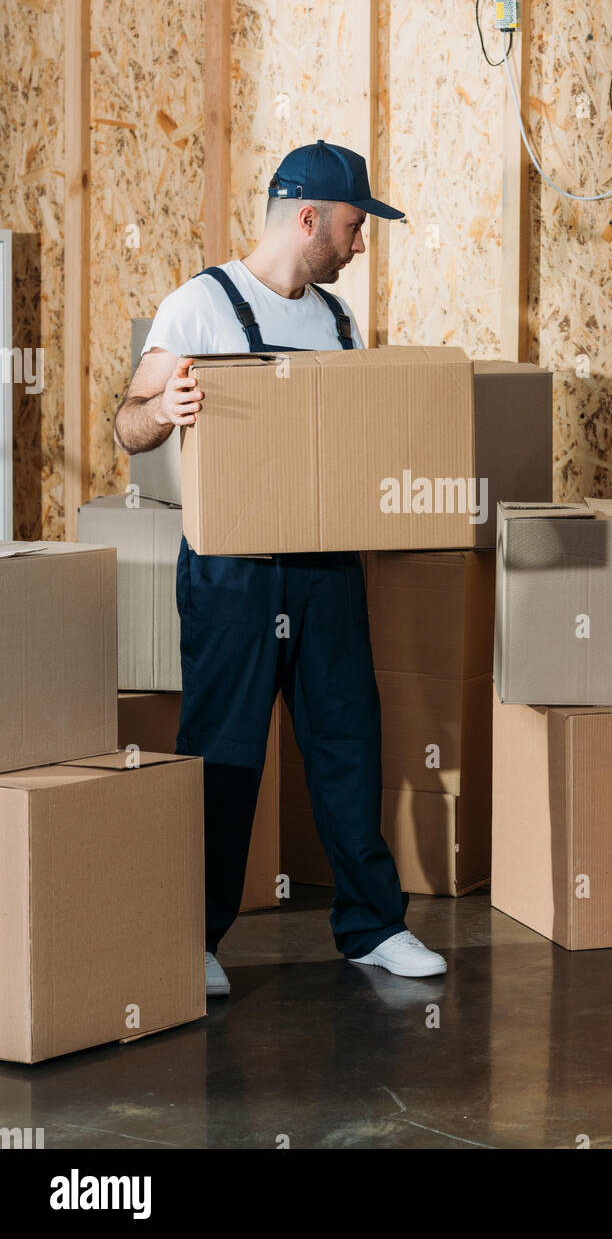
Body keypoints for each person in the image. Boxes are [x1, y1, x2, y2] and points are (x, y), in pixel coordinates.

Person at [114, 140, 447, 994]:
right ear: (308, 219)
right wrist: (165, 404)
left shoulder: (337, 323)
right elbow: (125, 425)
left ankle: (372, 927)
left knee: (346, 746)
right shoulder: (199, 305)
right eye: (352, 226)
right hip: (233, 571)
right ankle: (194, 939)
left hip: (328, 570)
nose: (359, 243)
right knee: (224, 753)